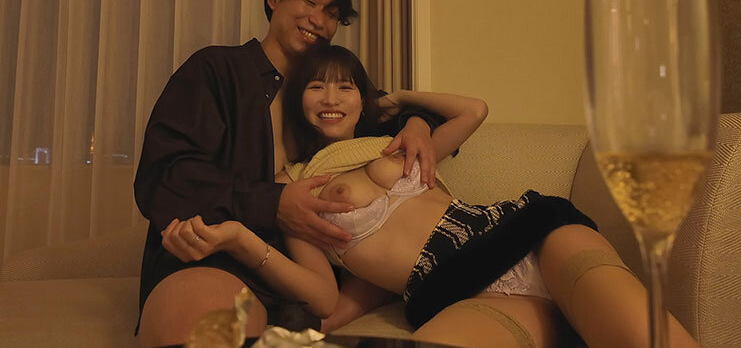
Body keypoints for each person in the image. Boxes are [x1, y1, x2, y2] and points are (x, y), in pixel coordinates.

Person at [162, 45, 701, 347]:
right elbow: (323, 299)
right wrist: (238, 238)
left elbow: (473, 110)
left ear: (363, 98)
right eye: (316, 86)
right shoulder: (294, 187)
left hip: (530, 232)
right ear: (297, 100)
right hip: (455, 288)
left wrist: (399, 102)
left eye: (346, 86)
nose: (332, 97)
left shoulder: (396, 144)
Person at [134, 0, 442, 348]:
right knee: (207, 331)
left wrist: (417, 123)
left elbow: (391, 113)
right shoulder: (216, 70)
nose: (319, 21)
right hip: (219, 258)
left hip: (310, 280)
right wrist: (273, 202)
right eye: (310, 2)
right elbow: (164, 176)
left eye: (332, 13)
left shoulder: (327, 96)